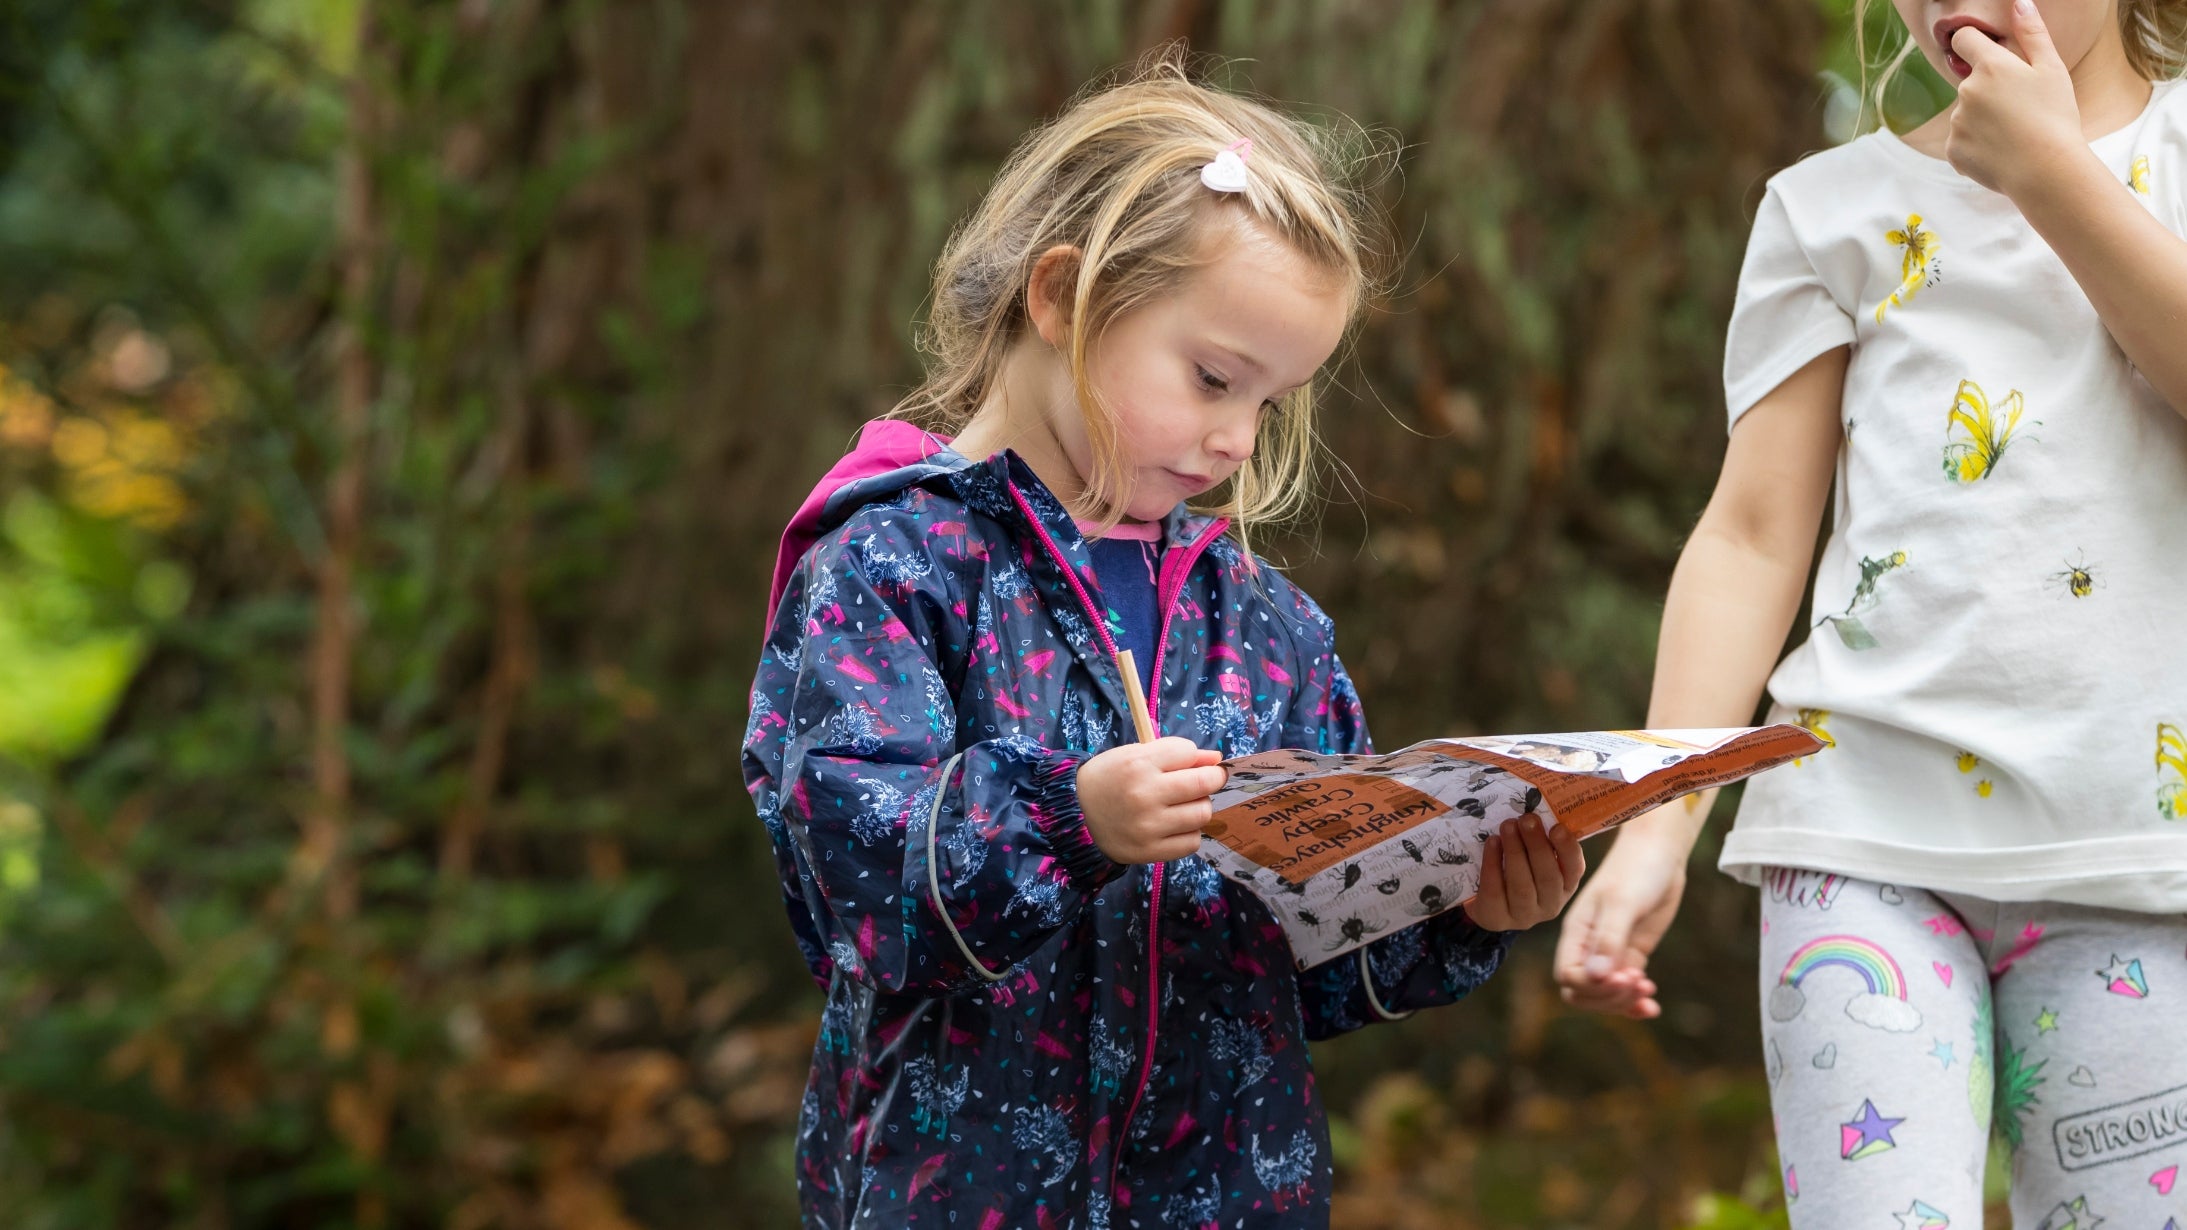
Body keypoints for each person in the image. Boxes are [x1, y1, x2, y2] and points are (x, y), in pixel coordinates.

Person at [744, 60, 1585, 1229]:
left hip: (1228, 1194)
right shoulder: (898, 564)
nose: (1237, 437)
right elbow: (849, 883)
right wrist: (1068, 818)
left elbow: (1308, 955)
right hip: (958, 1191)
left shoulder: (1268, 628)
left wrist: (1456, 908)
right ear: (1060, 299)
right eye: (1210, 379)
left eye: (1272, 402)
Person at [1553, 2, 2187, 1225]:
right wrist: (1653, 825)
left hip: (2143, 860)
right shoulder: (1826, 208)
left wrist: (2052, 174)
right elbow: (1750, 535)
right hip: (1861, 847)